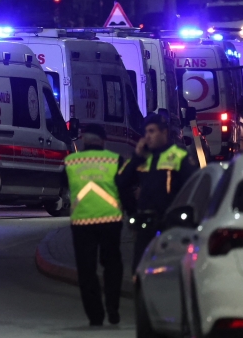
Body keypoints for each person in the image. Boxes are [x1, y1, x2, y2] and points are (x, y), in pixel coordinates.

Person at [61, 124, 127, 326]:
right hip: (111, 221)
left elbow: (64, 185)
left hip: (82, 222)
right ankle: (113, 309)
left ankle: (95, 315)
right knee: (113, 266)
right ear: (103, 140)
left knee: (86, 270)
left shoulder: (71, 162)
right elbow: (124, 189)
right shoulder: (115, 160)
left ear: (84, 140)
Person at [117, 113, 198, 272]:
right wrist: (136, 158)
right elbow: (121, 182)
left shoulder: (178, 155)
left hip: (170, 224)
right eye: (146, 132)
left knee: (170, 270)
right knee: (139, 271)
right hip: (145, 225)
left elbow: (193, 186)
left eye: (152, 131)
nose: (148, 137)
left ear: (164, 132)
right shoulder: (142, 158)